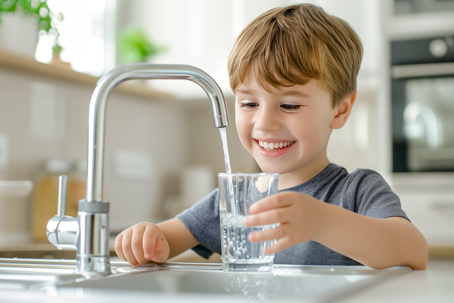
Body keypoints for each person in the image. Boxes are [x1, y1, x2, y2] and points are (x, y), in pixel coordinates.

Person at [115, 3, 428, 270]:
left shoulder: (356, 191)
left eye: (289, 104)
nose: (264, 122)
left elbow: (414, 250)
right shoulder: (233, 202)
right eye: (249, 103)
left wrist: (321, 221)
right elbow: (165, 240)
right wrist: (147, 238)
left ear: (339, 110)